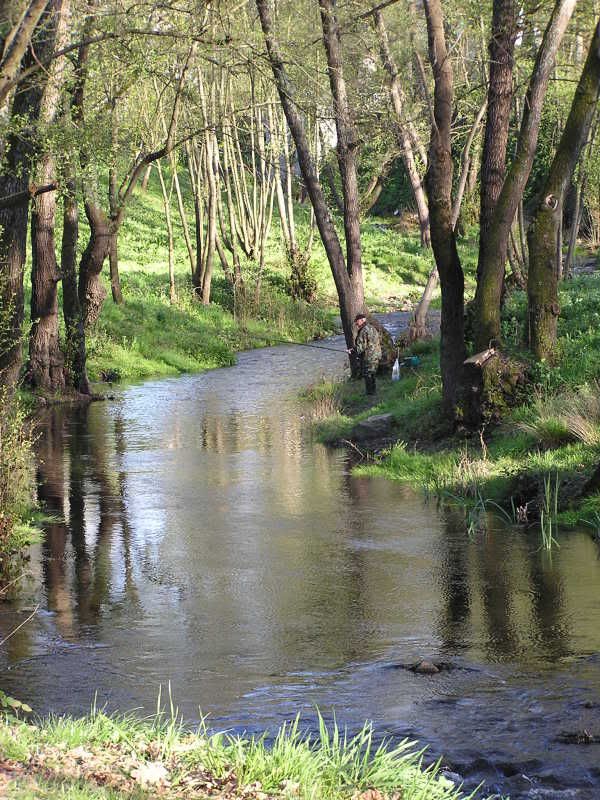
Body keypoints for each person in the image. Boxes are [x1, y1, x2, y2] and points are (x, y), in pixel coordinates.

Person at [348, 313, 382, 395]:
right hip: (376, 354)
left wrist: (352, 351)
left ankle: (370, 393)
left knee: (368, 374)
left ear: (362, 320)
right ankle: (373, 391)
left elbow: (361, 347)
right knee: (372, 373)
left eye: (357, 321)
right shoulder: (372, 327)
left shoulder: (364, 330)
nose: (356, 323)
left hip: (369, 356)